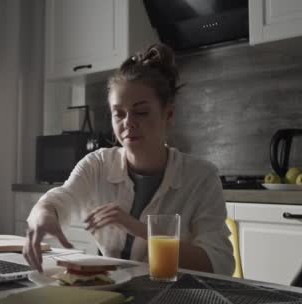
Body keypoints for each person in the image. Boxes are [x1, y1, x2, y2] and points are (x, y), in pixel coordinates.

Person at [23, 44, 234, 276]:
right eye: (119, 113)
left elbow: (220, 262)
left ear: (169, 115)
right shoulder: (98, 164)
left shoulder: (200, 177)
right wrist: (42, 215)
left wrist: (137, 228)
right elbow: (62, 198)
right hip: (113, 288)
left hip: (177, 292)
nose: (128, 123)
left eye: (141, 112)